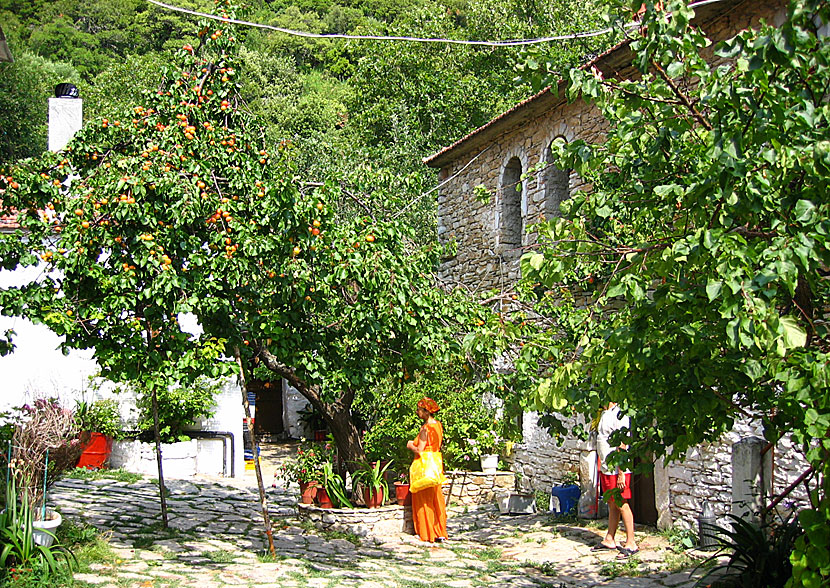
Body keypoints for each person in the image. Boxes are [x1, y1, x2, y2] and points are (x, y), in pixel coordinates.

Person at [594, 401, 639, 558]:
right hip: (607, 468)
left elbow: (622, 442)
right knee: (612, 503)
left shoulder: (620, 413)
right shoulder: (607, 412)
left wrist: (621, 472)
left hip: (617, 468)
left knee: (621, 503)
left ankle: (631, 542)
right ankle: (609, 538)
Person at [406, 397, 448, 543]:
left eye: (419, 410)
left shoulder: (425, 429)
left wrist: (410, 444)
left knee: (423, 498)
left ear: (426, 412)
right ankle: (439, 531)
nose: (417, 412)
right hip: (435, 465)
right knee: (436, 497)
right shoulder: (438, 426)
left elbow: (420, 449)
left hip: (424, 466)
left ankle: (426, 532)